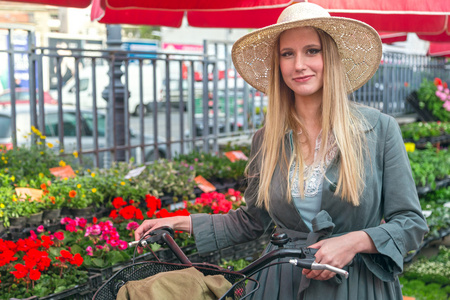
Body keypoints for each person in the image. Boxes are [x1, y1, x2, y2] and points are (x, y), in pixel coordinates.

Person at [135, 3, 428, 299]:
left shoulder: (379, 129)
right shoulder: (268, 139)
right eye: (287, 54)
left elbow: (411, 223)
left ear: (331, 58)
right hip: (280, 285)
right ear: (279, 65)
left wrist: (354, 242)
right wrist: (178, 221)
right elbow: (251, 222)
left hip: (355, 286)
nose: (299, 64)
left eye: (312, 51)